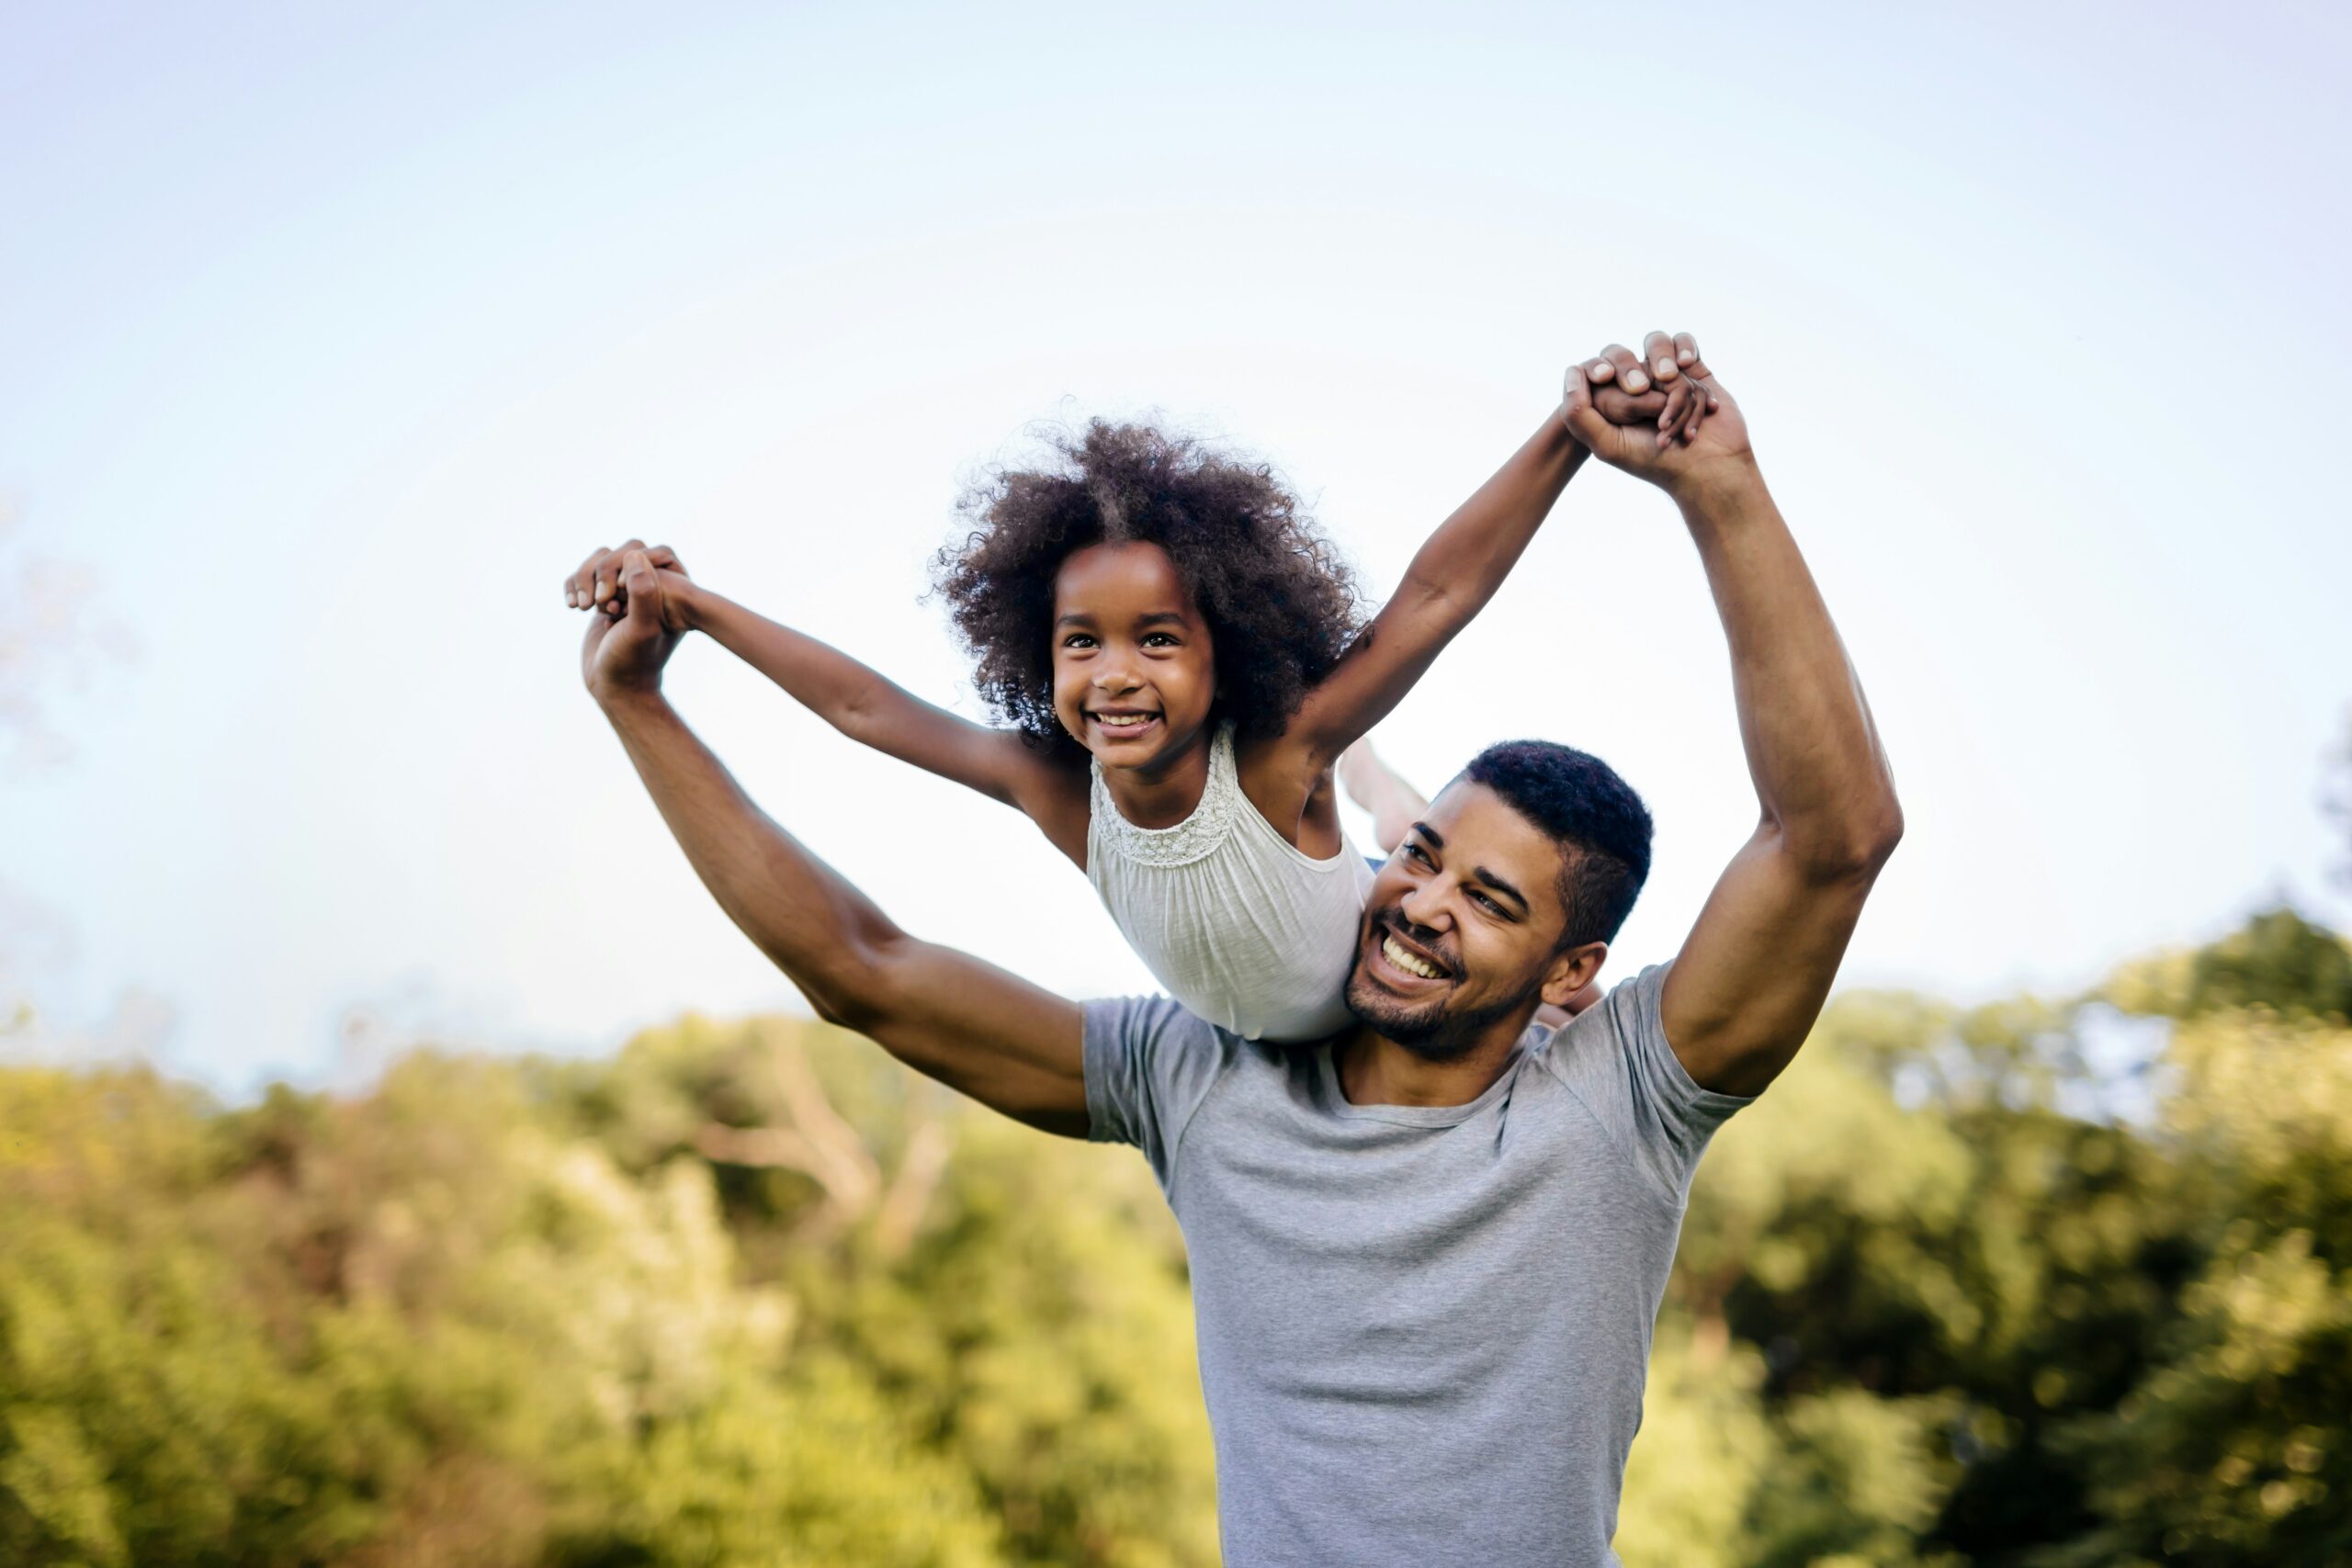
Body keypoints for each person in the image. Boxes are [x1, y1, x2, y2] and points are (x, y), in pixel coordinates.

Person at [569, 331, 1902, 1564]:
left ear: (1571, 972)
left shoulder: (1620, 1101)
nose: (1426, 899)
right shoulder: (1200, 1077)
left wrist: (1718, 491)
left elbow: (1830, 837)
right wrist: (640, 704)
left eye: (1493, 901)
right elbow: (862, 968)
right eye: (1423, 853)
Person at [562, 342, 1712, 1041]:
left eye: (1157, 639)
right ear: (1038, 650)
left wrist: (1567, 435)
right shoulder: (1053, 786)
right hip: (1307, 956)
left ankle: (1376, 784)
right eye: (1080, 644)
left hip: (1360, 915)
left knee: (1395, 831)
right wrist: (695, 609)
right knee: (1389, 824)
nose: (1114, 674)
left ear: (1232, 649)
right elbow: (866, 708)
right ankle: (1380, 791)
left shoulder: (1272, 758)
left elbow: (1432, 594)